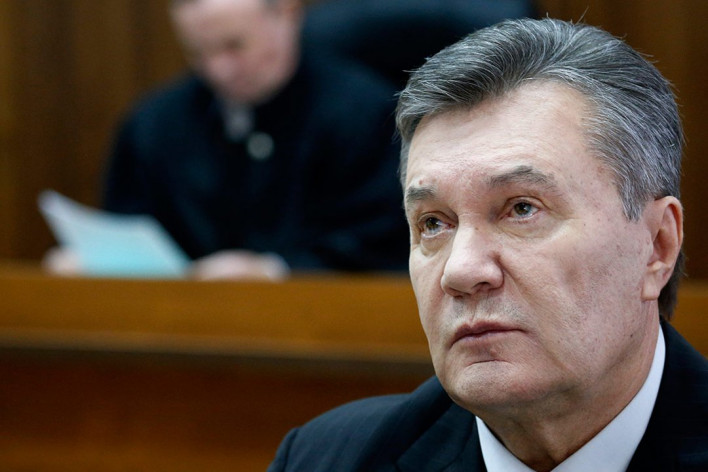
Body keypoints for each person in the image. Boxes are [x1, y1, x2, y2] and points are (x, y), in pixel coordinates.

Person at [268, 18, 708, 471]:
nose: (460, 271)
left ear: (657, 246)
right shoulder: (323, 460)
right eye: (433, 223)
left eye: (522, 209)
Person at [47, 0, 409, 279]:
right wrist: (99, 263)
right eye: (198, 52)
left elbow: (383, 242)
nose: (218, 70)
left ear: (287, 13)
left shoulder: (364, 114)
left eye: (234, 46)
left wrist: (275, 271)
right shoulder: (154, 126)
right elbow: (131, 227)